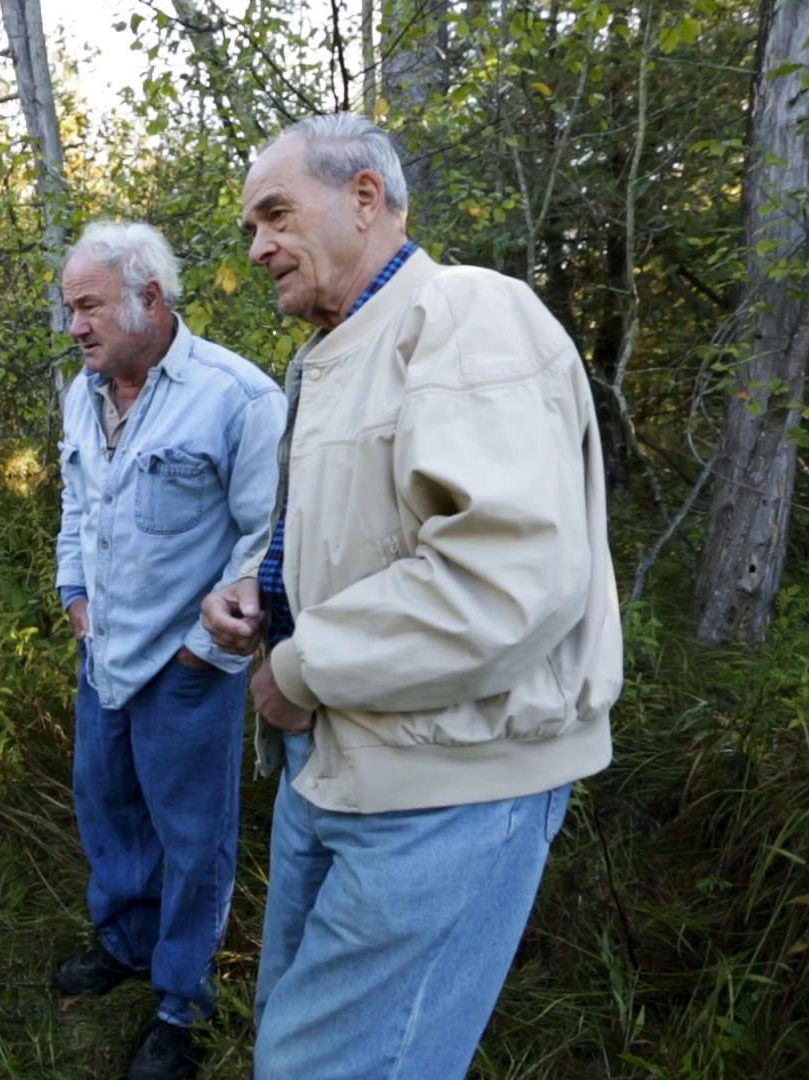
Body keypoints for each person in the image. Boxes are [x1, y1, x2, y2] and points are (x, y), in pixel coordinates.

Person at [199, 113, 623, 1078]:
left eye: (274, 214)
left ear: (365, 198)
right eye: (249, 229)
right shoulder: (334, 352)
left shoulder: (466, 313)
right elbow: (368, 539)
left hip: (449, 786)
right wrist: (261, 590)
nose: (258, 247)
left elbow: (501, 579)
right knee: (295, 1041)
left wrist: (299, 668)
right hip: (347, 765)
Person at [52, 220, 285, 1080]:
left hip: (189, 669)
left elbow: (267, 538)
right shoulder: (83, 390)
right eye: (70, 307)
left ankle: (182, 1002)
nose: (74, 325)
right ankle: (127, 944)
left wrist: (201, 654)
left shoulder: (238, 397)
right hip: (101, 656)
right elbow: (76, 507)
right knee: (106, 809)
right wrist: (75, 598)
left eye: (89, 306)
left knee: (194, 841)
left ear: (151, 298)